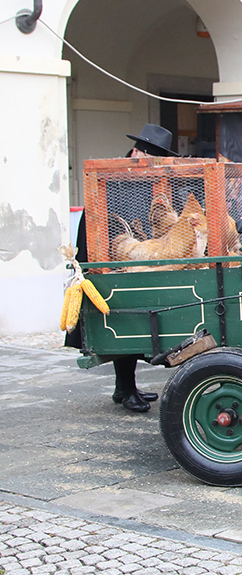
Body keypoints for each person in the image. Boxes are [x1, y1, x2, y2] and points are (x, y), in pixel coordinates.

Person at [67, 123, 181, 412]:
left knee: (136, 324)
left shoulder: (153, 184)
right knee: (121, 323)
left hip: (135, 259)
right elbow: (100, 227)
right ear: (136, 151)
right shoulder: (112, 180)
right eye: (148, 155)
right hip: (108, 260)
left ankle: (124, 387)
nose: (151, 163)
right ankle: (126, 389)